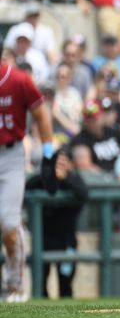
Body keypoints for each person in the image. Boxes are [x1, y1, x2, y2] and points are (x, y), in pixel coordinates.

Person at [0, 56, 55, 302]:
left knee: (9, 223)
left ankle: (15, 286)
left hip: (10, 156)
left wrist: (48, 153)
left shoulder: (19, 80)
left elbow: (41, 115)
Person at [25, 147, 88, 299]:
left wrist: (65, 177)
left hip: (66, 241)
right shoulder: (42, 180)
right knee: (40, 284)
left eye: (64, 161)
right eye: (57, 162)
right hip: (43, 239)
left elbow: (84, 193)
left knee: (65, 284)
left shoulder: (74, 179)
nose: (60, 165)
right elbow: (27, 186)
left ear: (71, 164)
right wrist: (49, 176)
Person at [70, 100, 120, 171]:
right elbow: (85, 167)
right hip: (99, 180)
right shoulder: (80, 140)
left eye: (93, 118)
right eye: (87, 118)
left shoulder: (114, 132)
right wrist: (110, 178)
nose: (90, 122)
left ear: (102, 116)